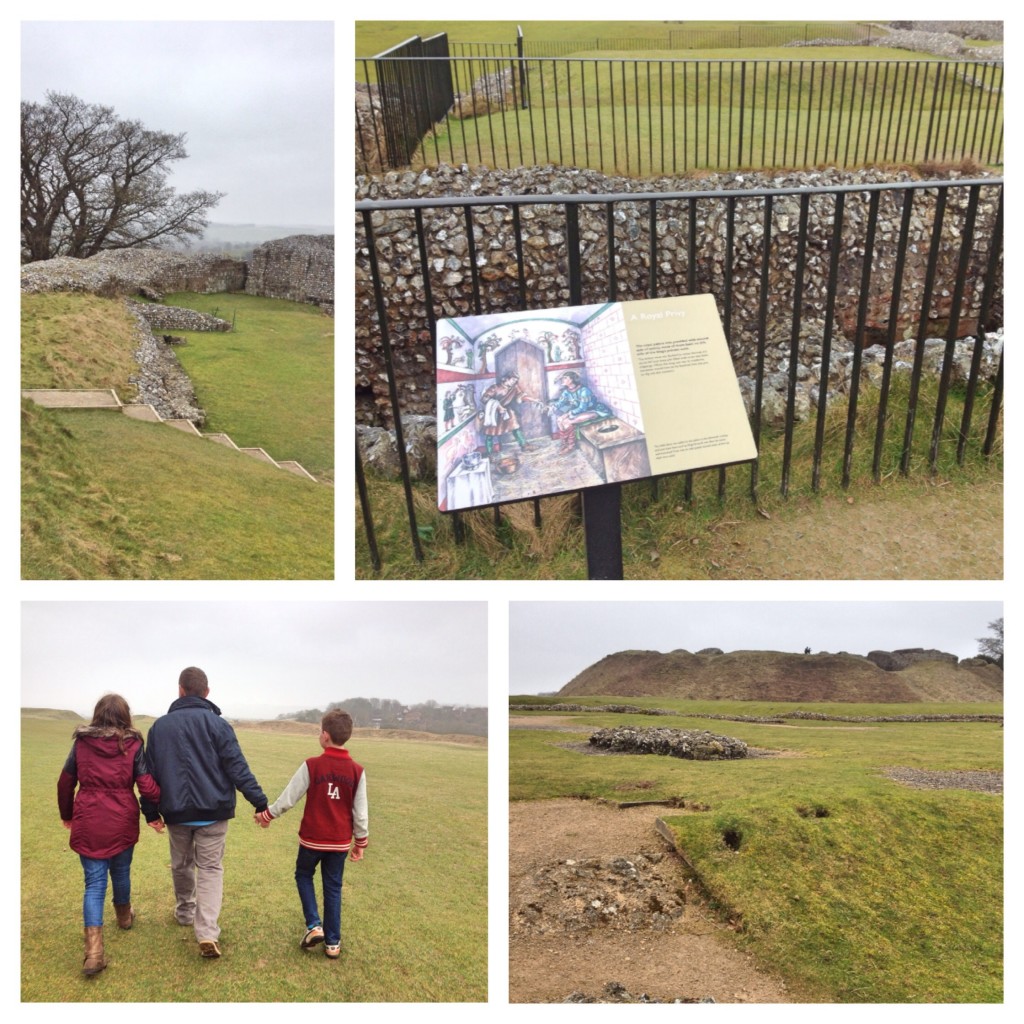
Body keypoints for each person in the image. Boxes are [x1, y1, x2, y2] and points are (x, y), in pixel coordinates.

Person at [140, 666, 269, 959]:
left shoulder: (160, 727)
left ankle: (186, 912)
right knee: (210, 869)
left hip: (176, 812)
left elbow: (148, 776)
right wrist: (260, 803)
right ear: (206, 692)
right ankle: (206, 930)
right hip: (213, 811)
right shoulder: (218, 725)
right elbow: (238, 768)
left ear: (180, 690)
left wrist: (150, 812)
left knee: (182, 864)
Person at [58, 694, 162, 977]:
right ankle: (124, 918)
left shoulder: (81, 743)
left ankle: (94, 953)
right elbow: (146, 784)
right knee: (121, 871)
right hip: (121, 819)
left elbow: (66, 781)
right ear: (125, 715)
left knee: (93, 884)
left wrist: (67, 814)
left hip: (89, 819)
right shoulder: (132, 744)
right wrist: (159, 799)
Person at [254, 710, 368, 960]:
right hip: (339, 843)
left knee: (304, 874)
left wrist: (267, 815)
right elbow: (360, 814)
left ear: (325, 736)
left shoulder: (312, 765)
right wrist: (360, 843)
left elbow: (288, 798)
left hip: (312, 840)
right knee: (333, 887)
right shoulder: (357, 771)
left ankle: (314, 925)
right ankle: (333, 943)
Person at [550, 370, 611, 452]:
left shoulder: (584, 391)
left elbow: (583, 408)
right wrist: (553, 407)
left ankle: (571, 445)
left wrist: (568, 414)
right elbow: (561, 402)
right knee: (559, 420)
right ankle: (565, 443)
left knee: (568, 421)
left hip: (594, 410)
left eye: (565, 378)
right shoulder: (566, 392)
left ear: (571, 380)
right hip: (580, 412)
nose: (562, 380)